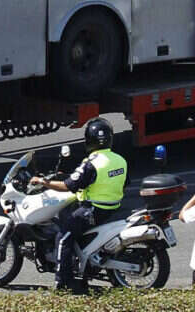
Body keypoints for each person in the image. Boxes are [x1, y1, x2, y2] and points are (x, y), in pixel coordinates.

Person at [29, 116, 127, 293]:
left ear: (89, 140)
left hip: (93, 210)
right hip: (113, 207)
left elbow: (68, 186)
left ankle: (62, 283)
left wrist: (44, 182)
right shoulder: (120, 160)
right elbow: (121, 182)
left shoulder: (92, 163)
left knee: (63, 237)